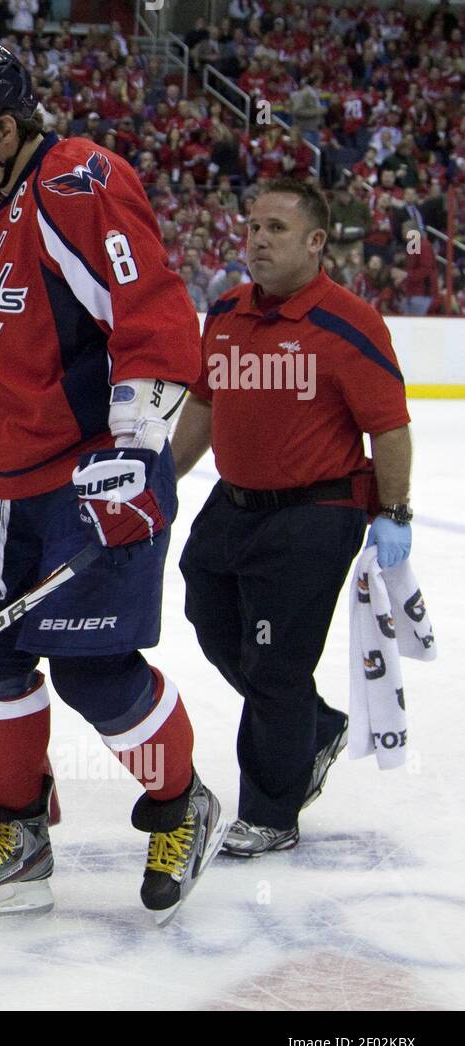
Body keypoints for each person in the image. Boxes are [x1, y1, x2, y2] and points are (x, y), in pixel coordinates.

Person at [0, 41, 226, 923]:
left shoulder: (80, 183)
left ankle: (179, 803)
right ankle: (17, 830)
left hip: (96, 468)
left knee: (94, 666)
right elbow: (1, 307)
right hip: (2, 470)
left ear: (8, 128)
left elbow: (153, 314)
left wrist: (134, 447)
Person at [172, 177, 414, 856]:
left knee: (276, 664)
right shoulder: (224, 311)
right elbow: (203, 403)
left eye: (276, 229)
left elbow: (389, 427)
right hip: (234, 504)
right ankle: (312, 726)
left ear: (315, 242)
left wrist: (393, 511)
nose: (257, 240)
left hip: (316, 510)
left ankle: (270, 810)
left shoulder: (348, 323)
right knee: (212, 621)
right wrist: (165, 478)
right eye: (252, 226)